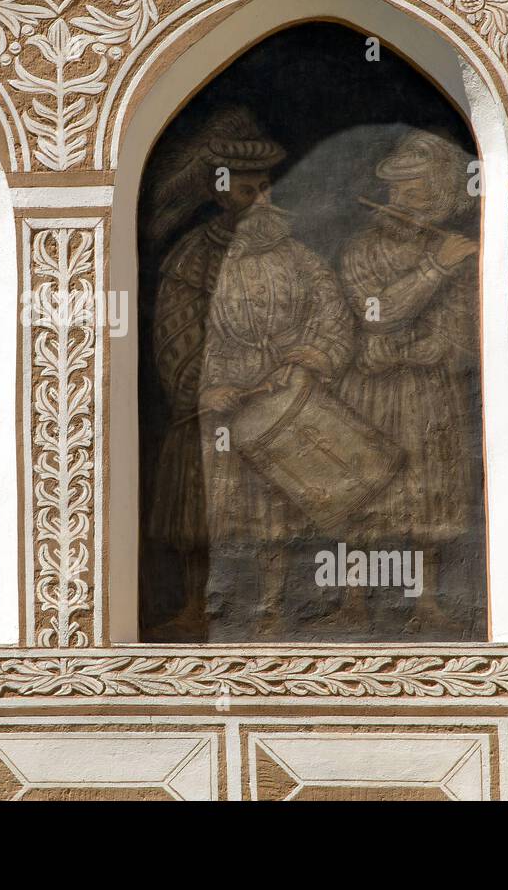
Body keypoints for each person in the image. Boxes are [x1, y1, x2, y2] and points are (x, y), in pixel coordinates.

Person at [146, 106, 354, 639]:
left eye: (265, 189)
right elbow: (174, 331)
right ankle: (197, 603)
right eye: (247, 191)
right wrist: (203, 386)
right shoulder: (193, 256)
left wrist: (315, 356)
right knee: (199, 514)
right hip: (214, 398)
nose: (261, 200)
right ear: (220, 193)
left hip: (279, 396)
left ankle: (271, 608)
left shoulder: (299, 257)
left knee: (272, 518)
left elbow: (330, 313)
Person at [335, 129, 481, 636]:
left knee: (430, 491)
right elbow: (377, 313)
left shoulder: (456, 252)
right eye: (396, 189)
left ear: (437, 196)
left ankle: (427, 601)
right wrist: (435, 268)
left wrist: (435, 345)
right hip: (371, 389)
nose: (401, 200)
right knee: (364, 489)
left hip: (429, 391)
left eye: (414, 191)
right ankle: (353, 598)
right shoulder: (362, 250)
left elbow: (464, 328)